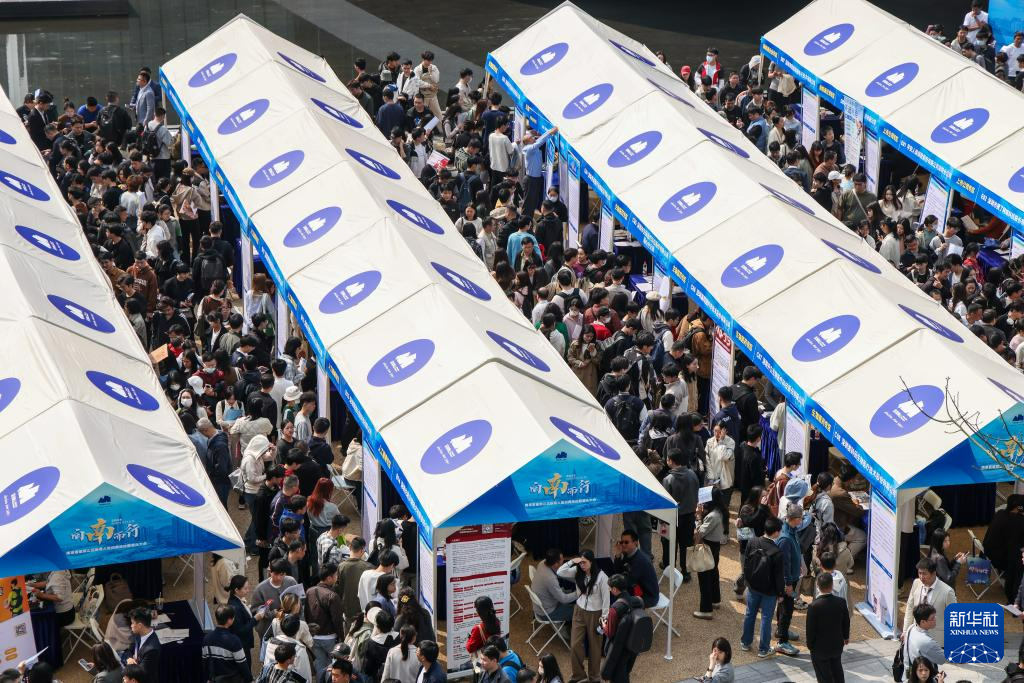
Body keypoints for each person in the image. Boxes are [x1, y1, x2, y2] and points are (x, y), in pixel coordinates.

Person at [556, 550, 609, 681]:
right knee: (575, 645)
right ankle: (578, 675)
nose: (582, 565)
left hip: (596, 614)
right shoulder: (577, 571)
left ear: (592, 562)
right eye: (580, 562)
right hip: (579, 611)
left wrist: (604, 619)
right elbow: (560, 572)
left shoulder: (602, 577)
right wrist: (571, 562)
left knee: (595, 647)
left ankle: (594, 677)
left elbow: (606, 601)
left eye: (584, 562)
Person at [740, 517, 785, 658]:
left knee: (750, 613)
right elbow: (779, 576)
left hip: (753, 585)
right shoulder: (777, 552)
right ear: (776, 532)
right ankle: (763, 649)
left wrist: (747, 579)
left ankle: (745, 642)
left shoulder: (753, 541)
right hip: (769, 590)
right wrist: (781, 593)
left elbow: (746, 561)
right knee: (766, 618)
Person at [662, 449, 699, 579]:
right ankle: (685, 571)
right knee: (686, 544)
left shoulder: (668, 479)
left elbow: (665, 502)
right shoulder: (692, 474)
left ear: (671, 461)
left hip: (674, 517)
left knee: (669, 543)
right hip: (689, 516)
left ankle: (669, 568)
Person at [806, 572, 850, 682]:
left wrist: (810, 645)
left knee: (823, 676)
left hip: (819, 648)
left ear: (817, 585)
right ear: (832, 585)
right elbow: (846, 621)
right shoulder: (841, 602)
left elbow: (810, 630)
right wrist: (846, 637)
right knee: (837, 670)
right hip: (837, 645)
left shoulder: (813, 606)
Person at [693, 487, 728, 619]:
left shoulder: (713, 516)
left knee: (704, 577)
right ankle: (715, 600)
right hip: (715, 546)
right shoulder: (720, 511)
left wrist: (698, 517)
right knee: (713, 573)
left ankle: (706, 610)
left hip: (707, 547)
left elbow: (699, 532)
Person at [601, 574, 643, 683]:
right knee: (625, 674)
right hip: (632, 646)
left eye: (610, 588)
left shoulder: (615, 609)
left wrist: (603, 623)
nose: (610, 590)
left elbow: (609, 632)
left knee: (618, 677)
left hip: (619, 649)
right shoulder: (638, 601)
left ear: (615, 589)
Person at [902, 559, 955, 645]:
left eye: (924, 574)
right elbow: (910, 607)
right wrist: (905, 631)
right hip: (915, 636)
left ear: (934, 573)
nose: (921, 577)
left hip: (937, 640)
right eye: (919, 573)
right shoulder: (916, 583)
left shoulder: (947, 591)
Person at [306, 562, 347, 674]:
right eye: (336, 575)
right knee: (333, 667)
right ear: (329, 578)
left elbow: (306, 614)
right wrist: (342, 638)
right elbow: (337, 620)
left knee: (320, 666)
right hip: (329, 637)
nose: (337, 577)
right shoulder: (332, 596)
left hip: (314, 636)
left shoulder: (309, 591)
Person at [773, 503, 803, 655]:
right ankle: (782, 641)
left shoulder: (791, 530)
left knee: (784, 607)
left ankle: (781, 630)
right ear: (795, 518)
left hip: (792, 576)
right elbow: (784, 564)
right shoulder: (785, 538)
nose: (802, 520)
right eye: (801, 518)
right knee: (787, 609)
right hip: (788, 581)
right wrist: (788, 584)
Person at [203, 604, 252, 682]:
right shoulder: (234, 640)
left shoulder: (206, 638)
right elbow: (242, 664)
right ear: (229, 621)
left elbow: (205, 662)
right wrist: (249, 679)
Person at [252, 560, 299, 639]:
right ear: (270, 572)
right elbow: (255, 610)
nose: (278, 578)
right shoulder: (260, 589)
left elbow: (298, 599)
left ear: (285, 573)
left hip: (289, 629)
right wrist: (271, 614)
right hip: (268, 630)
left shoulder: (291, 582)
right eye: (275, 574)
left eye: (282, 574)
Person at [613, 529, 659, 608]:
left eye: (626, 542)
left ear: (635, 543)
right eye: (621, 542)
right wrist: (618, 556)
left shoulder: (640, 561)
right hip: (638, 588)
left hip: (649, 597)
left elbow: (628, 582)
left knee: (621, 603)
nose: (623, 545)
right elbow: (619, 571)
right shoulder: (628, 554)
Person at [531, 549, 578, 622]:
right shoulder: (550, 579)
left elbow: (558, 573)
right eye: (562, 559)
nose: (564, 560)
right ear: (556, 564)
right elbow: (564, 599)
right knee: (580, 612)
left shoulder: (542, 563)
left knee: (569, 592)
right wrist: (580, 592)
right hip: (548, 613)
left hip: (543, 604)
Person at [263, 614, 313, 683]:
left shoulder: (271, 642)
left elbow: (267, 664)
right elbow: (304, 674)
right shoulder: (299, 649)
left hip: (272, 678)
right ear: (297, 629)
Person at [226, 575, 258, 671]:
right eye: (245, 588)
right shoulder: (235, 606)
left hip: (242, 642)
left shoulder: (236, 600)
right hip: (241, 644)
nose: (248, 590)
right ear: (236, 590)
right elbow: (240, 631)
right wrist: (255, 619)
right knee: (245, 667)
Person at [338, 537, 373, 623]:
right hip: (363, 609)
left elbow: (339, 588)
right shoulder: (368, 567)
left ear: (350, 547)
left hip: (347, 609)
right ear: (362, 550)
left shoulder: (341, 566)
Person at [904, 604, 945, 677]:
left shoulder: (911, 628)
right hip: (923, 677)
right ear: (923, 622)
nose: (935, 619)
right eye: (932, 618)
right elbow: (942, 659)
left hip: (909, 672)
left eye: (935, 616)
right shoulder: (926, 642)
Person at [124, 607, 161, 683]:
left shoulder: (152, 649)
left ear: (140, 625)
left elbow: (141, 673)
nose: (131, 626)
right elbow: (129, 651)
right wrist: (129, 658)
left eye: (132, 623)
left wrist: (130, 664)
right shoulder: (138, 634)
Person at [362, 609, 399, 682]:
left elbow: (368, 667)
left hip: (380, 678)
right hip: (399, 674)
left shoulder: (372, 643)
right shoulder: (399, 637)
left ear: (377, 626)